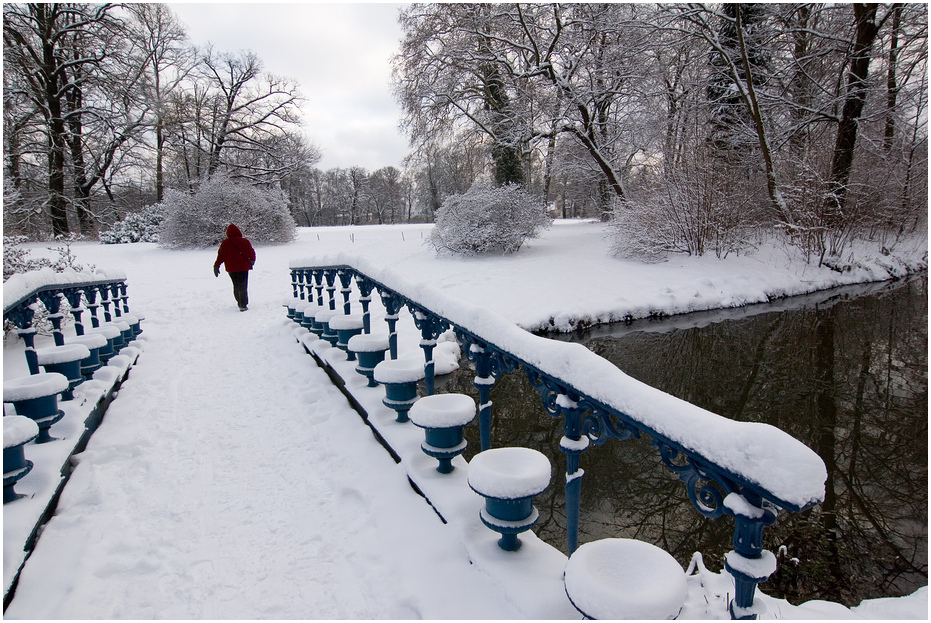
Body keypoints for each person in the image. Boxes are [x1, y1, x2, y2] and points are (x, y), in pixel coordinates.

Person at [213, 223, 256, 311]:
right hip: (243, 268)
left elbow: (220, 256)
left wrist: (216, 265)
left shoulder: (225, 243)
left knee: (236, 285)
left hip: (231, 269)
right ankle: (243, 304)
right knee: (243, 285)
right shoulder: (245, 241)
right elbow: (252, 253)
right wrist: (252, 262)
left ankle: (239, 301)